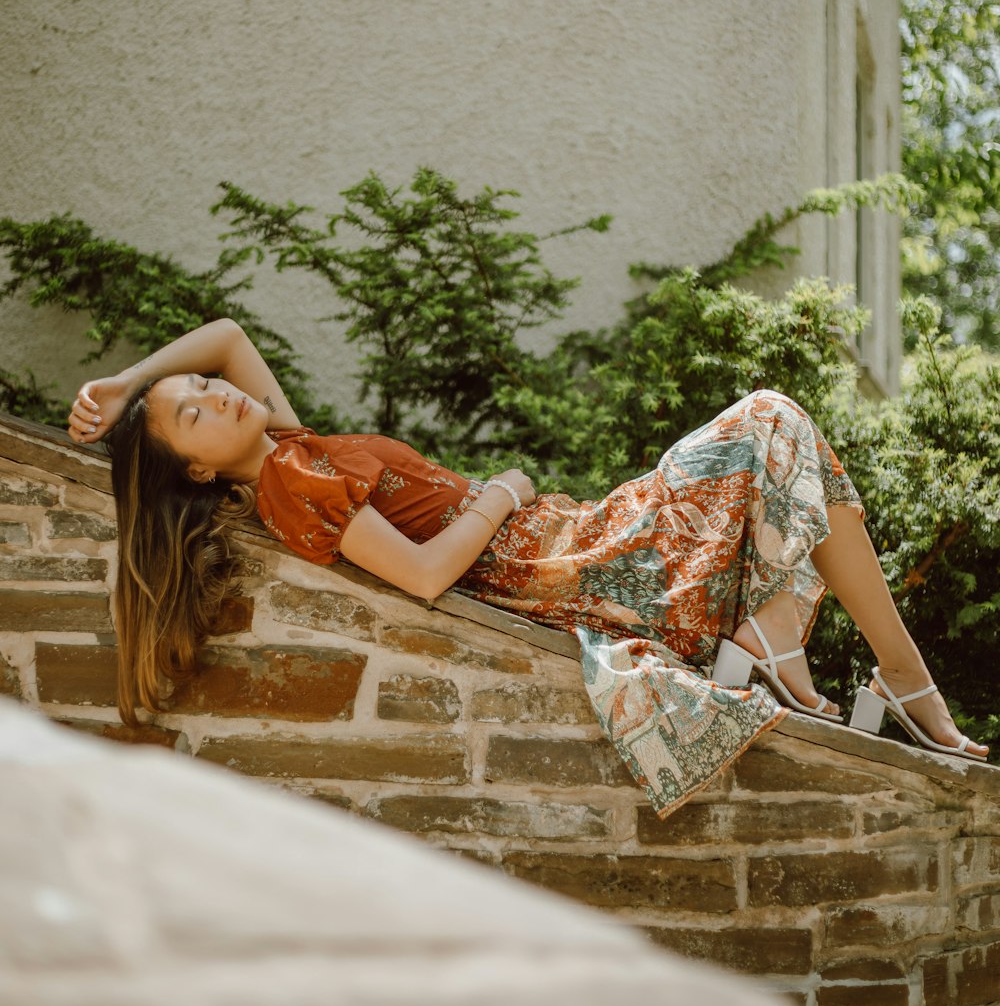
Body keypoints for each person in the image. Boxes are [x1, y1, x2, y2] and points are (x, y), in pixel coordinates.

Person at [67, 318, 988, 810]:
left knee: (782, 446)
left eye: (208, 389)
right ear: (194, 466)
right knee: (768, 422)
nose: (221, 392)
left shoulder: (285, 443)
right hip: (548, 560)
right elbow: (424, 575)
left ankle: (858, 667)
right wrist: (498, 495)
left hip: (562, 540)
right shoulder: (289, 478)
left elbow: (227, 332)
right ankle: (880, 676)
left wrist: (122, 386)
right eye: (195, 412)